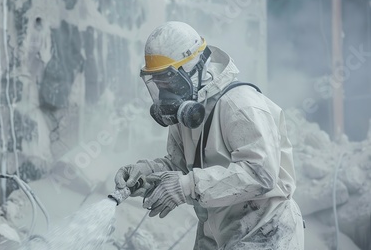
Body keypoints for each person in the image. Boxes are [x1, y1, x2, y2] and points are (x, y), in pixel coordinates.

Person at [114, 21, 304, 249]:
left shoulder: (240, 105)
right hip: (218, 228)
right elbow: (181, 167)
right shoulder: (186, 112)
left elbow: (260, 173)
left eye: (169, 82)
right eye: (158, 83)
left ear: (195, 69)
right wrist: (147, 174)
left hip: (265, 231)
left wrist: (186, 187)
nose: (165, 94)